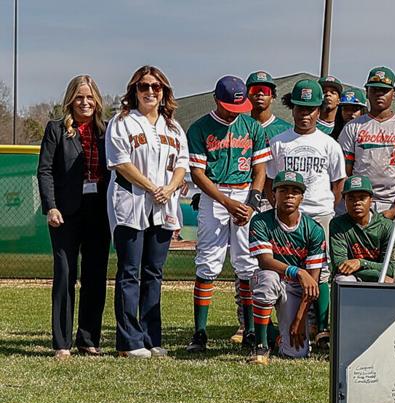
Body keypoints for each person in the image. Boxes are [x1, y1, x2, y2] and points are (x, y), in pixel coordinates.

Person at [106, 66, 188, 359]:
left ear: (164, 91)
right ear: (134, 90)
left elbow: (183, 164)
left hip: (163, 204)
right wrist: (154, 186)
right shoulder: (123, 122)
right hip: (131, 202)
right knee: (129, 272)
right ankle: (128, 342)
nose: (150, 91)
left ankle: (151, 338)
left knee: (154, 272)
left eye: (156, 87)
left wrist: (171, 188)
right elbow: (120, 162)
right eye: (144, 86)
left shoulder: (173, 127)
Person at [185, 75, 269, 353]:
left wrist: (252, 203)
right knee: (208, 262)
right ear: (216, 99)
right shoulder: (200, 128)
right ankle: (200, 332)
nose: (234, 113)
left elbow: (260, 170)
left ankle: (249, 331)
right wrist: (225, 202)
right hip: (214, 195)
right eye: (228, 107)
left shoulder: (252, 126)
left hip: (245, 192)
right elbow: (197, 174)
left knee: (247, 263)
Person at [266, 78, 346, 344]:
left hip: (319, 211)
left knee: (320, 270)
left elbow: (338, 183)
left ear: (319, 109)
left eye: (310, 108)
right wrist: (278, 208)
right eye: (300, 107)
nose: (305, 114)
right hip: (286, 215)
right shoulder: (279, 142)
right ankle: (281, 325)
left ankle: (321, 327)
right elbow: (269, 181)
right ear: (292, 109)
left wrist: (326, 207)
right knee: (285, 269)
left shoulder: (329, 144)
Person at [38, 74, 111, 358]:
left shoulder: (106, 131)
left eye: (90, 97)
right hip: (65, 212)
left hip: (99, 211)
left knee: (95, 275)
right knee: (65, 274)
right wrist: (51, 206)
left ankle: (88, 339)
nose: (85, 102)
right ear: (71, 99)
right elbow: (44, 170)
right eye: (80, 97)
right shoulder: (56, 129)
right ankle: (61, 343)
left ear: (97, 101)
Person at [247, 171, 326, 364]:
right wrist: (297, 271)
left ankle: (275, 336)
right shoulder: (261, 221)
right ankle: (261, 345)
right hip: (274, 279)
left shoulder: (313, 229)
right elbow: (265, 261)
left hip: (297, 289)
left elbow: (312, 283)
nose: (289, 195)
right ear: (274, 194)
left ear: (302, 197)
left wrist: (298, 320)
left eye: (295, 191)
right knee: (267, 279)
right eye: (283, 190)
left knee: (295, 352)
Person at [340, 67, 395, 219]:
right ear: (366, 92)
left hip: (394, 202)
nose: (379, 94)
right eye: (375, 89)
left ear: (394, 93)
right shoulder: (352, 127)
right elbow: (345, 172)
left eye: (384, 90)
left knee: (394, 244)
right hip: (360, 201)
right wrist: (352, 203)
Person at [329, 174, 393, 283]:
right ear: (344, 200)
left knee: (390, 281)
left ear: (371, 200)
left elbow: (391, 268)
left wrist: (361, 263)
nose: (357, 203)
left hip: (380, 280)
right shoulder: (337, 224)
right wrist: (376, 274)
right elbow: (340, 266)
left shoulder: (386, 225)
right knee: (344, 279)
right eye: (351, 198)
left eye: (362, 198)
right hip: (353, 278)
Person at [246, 71, 290, 138]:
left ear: (272, 97)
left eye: (265, 90)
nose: (260, 94)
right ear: (247, 96)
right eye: (255, 90)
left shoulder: (286, 130)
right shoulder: (240, 128)